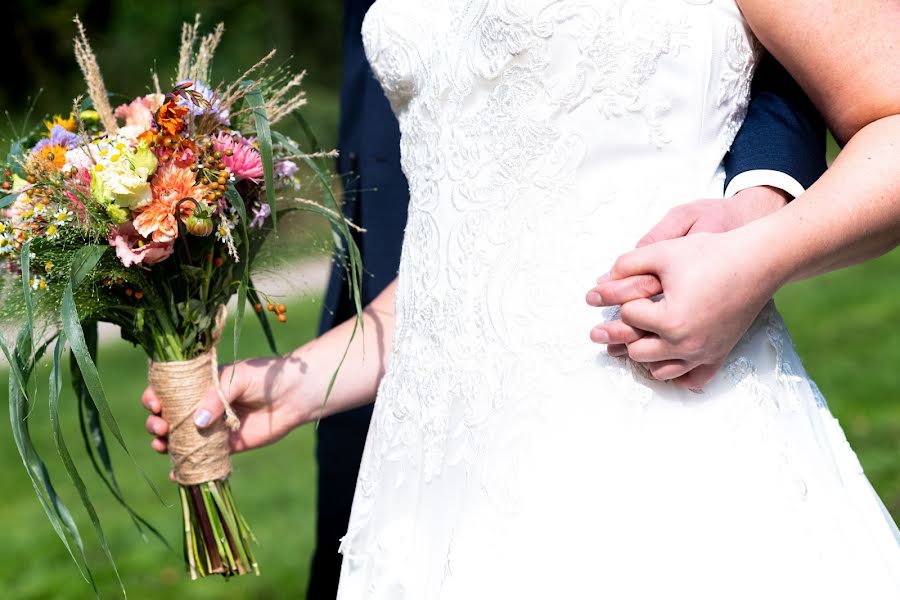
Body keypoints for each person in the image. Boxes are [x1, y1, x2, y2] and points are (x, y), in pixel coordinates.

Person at [144, 0, 900, 597]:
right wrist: (299, 382)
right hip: (425, 498)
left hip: (650, 450)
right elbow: (471, 246)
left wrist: (759, 254)